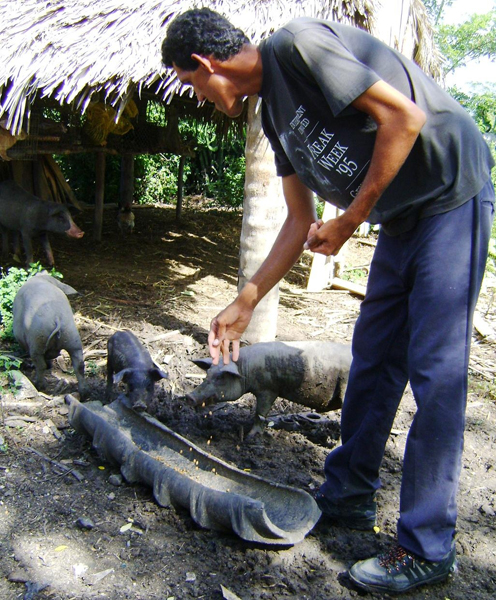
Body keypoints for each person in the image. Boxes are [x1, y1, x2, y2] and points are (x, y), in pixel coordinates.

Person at [162, 7, 495, 594]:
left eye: (191, 83)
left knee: (435, 373)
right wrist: (246, 300)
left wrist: (353, 219)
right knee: (373, 358)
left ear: (207, 64)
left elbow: (404, 116)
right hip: (400, 216)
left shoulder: (298, 46)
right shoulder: (272, 115)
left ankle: (426, 546)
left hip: (449, 193)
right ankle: (347, 496)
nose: (199, 96)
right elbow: (298, 221)